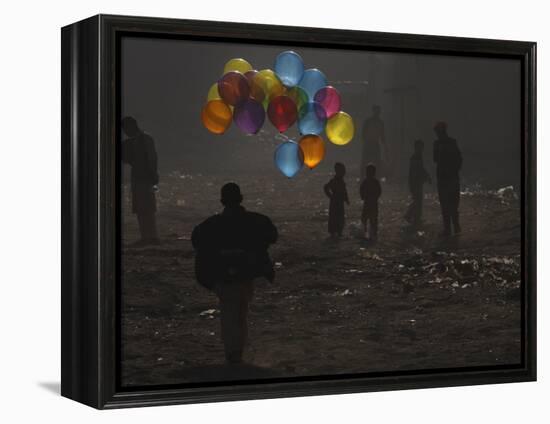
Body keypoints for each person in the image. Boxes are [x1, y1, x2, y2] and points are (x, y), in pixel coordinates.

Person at [191, 183, 278, 364]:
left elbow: (197, 243)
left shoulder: (210, 225)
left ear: (222, 201)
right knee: (239, 312)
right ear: (240, 199)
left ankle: (233, 353)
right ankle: (236, 353)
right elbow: (272, 236)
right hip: (246, 274)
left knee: (231, 313)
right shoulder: (257, 221)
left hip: (223, 276)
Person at [121, 116, 160, 245]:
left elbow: (151, 159)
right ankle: (148, 236)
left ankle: (150, 237)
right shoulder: (139, 140)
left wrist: (153, 174)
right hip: (140, 177)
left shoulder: (144, 140)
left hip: (144, 177)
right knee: (142, 208)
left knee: (146, 209)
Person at [433, 121, 463, 237]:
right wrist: (455, 169)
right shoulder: (452, 142)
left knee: (446, 204)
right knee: (453, 203)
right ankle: (455, 227)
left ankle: (449, 228)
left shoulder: (437, 144)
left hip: (444, 177)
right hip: (450, 177)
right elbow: (459, 158)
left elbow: (435, 159)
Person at [405, 139, 431, 228]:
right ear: (416, 147)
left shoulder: (417, 156)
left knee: (418, 200)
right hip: (415, 182)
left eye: (422, 147)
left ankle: (416, 217)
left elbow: (420, 169)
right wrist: (427, 177)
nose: (421, 149)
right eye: (420, 147)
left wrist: (426, 177)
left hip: (417, 182)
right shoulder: (415, 157)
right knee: (417, 200)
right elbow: (418, 170)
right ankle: (410, 216)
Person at [324, 163, 350, 239]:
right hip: (335, 202)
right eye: (343, 171)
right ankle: (333, 232)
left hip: (339, 202)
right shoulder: (334, 181)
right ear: (338, 171)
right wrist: (330, 196)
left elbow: (344, 192)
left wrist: (346, 199)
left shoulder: (341, 181)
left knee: (340, 216)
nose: (344, 172)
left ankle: (339, 232)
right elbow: (325, 187)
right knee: (334, 217)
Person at [360, 105, 386, 180]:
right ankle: (363, 177)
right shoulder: (368, 121)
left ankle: (376, 177)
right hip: (369, 143)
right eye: (376, 111)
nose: (377, 113)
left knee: (376, 162)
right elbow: (363, 133)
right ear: (374, 111)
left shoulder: (380, 123)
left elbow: (382, 136)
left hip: (374, 143)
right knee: (365, 161)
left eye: (378, 111)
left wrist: (385, 146)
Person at [360, 163, 382, 241]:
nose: (369, 173)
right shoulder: (368, 182)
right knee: (365, 218)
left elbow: (379, 191)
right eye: (368, 172)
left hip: (371, 203)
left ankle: (372, 232)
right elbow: (362, 190)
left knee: (372, 219)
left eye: (370, 172)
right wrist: (363, 196)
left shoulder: (372, 182)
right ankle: (366, 231)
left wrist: (363, 196)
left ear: (373, 173)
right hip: (370, 203)